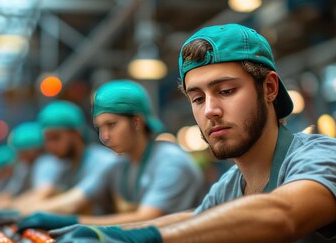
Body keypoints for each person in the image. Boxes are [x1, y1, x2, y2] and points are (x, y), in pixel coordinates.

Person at [41, 24, 336, 243]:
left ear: (269, 88)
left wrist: (140, 241)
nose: (211, 111)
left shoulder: (327, 157)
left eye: (225, 91)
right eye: (197, 98)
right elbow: (194, 220)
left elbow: (282, 214)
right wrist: (104, 234)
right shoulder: (230, 185)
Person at [16, 80, 205, 230]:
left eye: (111, 125)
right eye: (100, 127)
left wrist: (74, 223)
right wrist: (21, 213)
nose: (104, 136)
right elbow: (74, 200)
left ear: (137, 122)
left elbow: (146, 219)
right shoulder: (119, 165)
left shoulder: (170, 162)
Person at [11, 100, 119, 216]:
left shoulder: (102, 161)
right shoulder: (65, 167)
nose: (50, 146)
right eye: (47, 140)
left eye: (55, 138)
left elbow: (71, 205)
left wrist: (24, 210)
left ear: (76, 134)